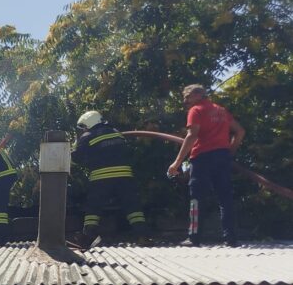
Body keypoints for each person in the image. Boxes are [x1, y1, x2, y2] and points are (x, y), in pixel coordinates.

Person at [167, 84, 245, 247]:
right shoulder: (221, 110)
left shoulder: (196, 110)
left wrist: (177, 162)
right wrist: (229, 151)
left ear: (198, 95)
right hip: (222, 157)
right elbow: (240, 131)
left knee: (197, 198)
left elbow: (191, 136)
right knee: (225, 198)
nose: (185, 101)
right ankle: (231, 239)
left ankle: (194, 238)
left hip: (202, 158)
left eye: (187, 96)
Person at [71, 110, 151, 249]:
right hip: (124, 175)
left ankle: (87, 237)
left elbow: (77, 157)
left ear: (89, 123)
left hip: (101, 177)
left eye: (84, 127)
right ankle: (142, 235)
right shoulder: (116, 133)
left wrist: (74, 147)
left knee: (93, 208)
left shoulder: (88, 136)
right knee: (132, 206)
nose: (84, 129)